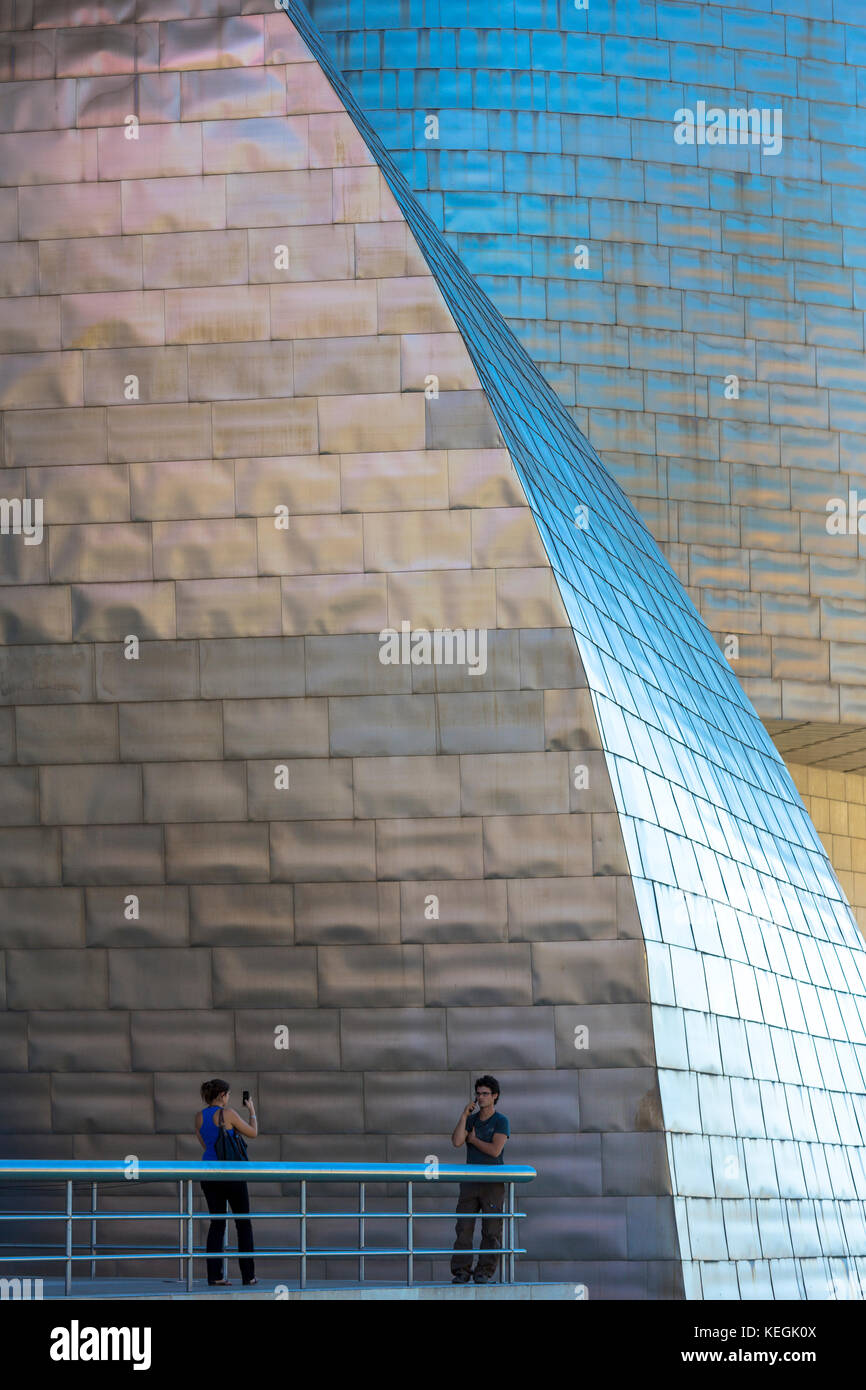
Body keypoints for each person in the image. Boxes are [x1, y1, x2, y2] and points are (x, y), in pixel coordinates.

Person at [195, 1078, 259, 1287]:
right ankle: (248, 1276)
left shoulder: (199, 1117)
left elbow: (207, 1145)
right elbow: (253, 1133)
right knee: (243, 1224)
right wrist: (252, 1111)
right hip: (231, 1175)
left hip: (210, 1175)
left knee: (217, 1224)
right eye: (228, 1094)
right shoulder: (228, 1114)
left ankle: (215, 1276)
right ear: (222, 1094)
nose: (229, 1097)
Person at [449, 1075, 510, 1285]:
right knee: (463, 1228)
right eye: (478, 1093)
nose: (480, 1097)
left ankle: (484, 1272)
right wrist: (464, 1116)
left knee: (491, 1229)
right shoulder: (472, 1119)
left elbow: (495, 1151)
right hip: (470, 1181)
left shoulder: (501, 1121)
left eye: (485, 1094)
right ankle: (461, 1271)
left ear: (495, 1096)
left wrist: (474, 1140)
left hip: (492, 1181)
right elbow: (457, 1141)